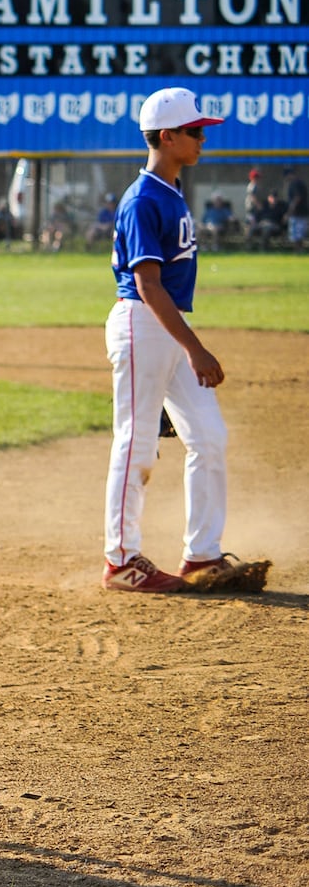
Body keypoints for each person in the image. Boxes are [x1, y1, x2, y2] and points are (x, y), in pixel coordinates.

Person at [102, 86, 263, 593]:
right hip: (142, 323)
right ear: (167, 137)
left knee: (209, 437)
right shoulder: (144, 198)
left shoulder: (170, 192)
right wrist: (194, 348)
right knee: (137, 445)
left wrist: (183, 348)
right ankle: (121, 560)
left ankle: (202, 555)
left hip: (164, 328)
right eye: (194, 132)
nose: (201, 139)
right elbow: (148, 284)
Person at [283, 166, 307, 248]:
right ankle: (298, 251)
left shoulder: (295, 183)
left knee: (297, 234)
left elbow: (297, 198)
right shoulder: (300, 182)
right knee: (297, 234)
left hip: (298, 213)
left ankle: (298, 251)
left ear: (289, 175)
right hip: (301, 213)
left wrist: (289, 212)